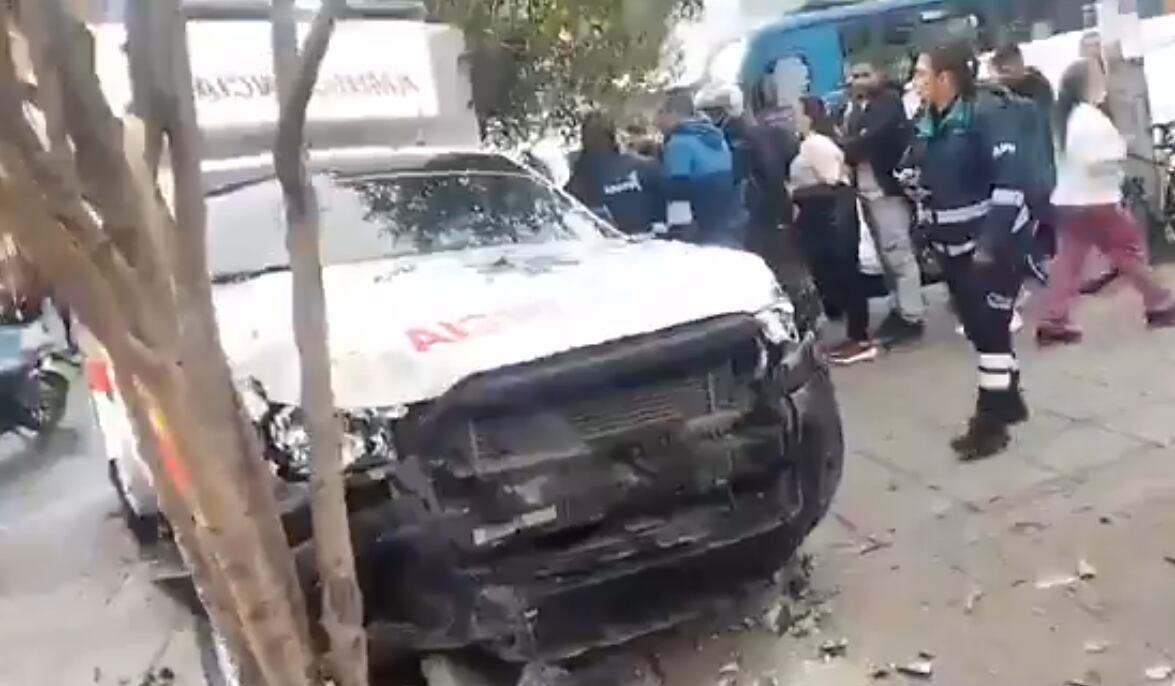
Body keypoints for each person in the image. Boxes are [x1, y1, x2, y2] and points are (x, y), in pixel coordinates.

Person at [910, 40, 1038, 460]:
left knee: (990, 332)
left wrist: (991, 243)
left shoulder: (987, 115)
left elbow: (1010, 182)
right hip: (952, 246)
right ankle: (1011, 399)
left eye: (922, 73)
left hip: (993, 244)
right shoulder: (929, 119)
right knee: (983, 328)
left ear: (946, 78)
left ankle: (990, 423)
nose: (915, 82)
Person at [1036, 59, 1175, 345]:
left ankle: (1055, 318)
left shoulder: (1068, 118)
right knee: (1126, 251)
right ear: (1086, 85)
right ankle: (1160, 302)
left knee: (1070, 262)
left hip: (1070, 201)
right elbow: (1094, 160)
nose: (1103, 84)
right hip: (1097, 199)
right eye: (1098, 78)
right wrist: (1119, 153)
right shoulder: (1089, 118)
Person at [842, 58, 926, 348]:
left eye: (864, 74)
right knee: (885, 256)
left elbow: (871, 139)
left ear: (878, 74)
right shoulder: (853, 109)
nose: (858, 80)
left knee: (898, 252)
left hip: (887, 189)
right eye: (853, 75)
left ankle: (912, 316)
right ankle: (899, 307)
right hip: (866, 193)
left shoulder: (888, 103)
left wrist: (847, 146)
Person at [790, 97, 878, 365]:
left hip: (830, 218)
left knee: (847, 275)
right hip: (823, 218)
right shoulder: (811, 143)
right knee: (839, 275)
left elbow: (835, 182)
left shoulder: (816, 144)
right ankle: (855, 335)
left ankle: (860, 338)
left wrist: (795, 193)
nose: (792, 117)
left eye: (796, 112)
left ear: (808, 116)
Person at [657, 91, 747, 248]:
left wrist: (677, 239)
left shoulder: (679, 144)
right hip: (727, 226)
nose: (657, 119)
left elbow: (678, 195)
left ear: (673, 112)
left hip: (701, 233)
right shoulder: (718, 139)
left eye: (660, 112)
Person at [566, 111, 666, 236]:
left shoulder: (578, 182)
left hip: (608, 246)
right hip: (651, 243)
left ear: (583, 139)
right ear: (614, 135)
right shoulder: (646, 166)